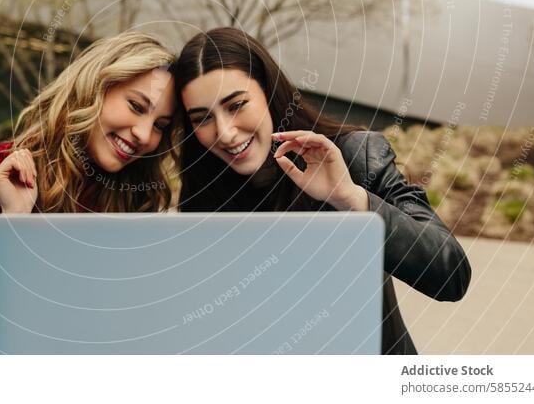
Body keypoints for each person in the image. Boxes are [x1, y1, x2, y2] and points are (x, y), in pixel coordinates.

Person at [174, 27, 471, 355]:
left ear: (269, 92)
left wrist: (352, 198)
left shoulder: (355, 155)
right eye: (203, 119)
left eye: (236, 105)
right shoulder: (204, 193)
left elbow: (450, 275)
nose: (225, 133)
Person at [0, 31, 178, 354]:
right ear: (94, 88)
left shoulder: (137, 198)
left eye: (160, 125)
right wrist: (12, 227)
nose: (144, 134)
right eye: (136, 106)